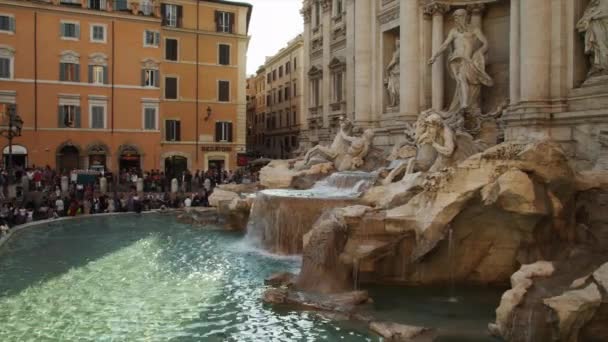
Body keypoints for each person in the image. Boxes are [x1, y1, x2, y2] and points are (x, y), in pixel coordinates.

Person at [429, 9, 493, 115]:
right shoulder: (454, 31)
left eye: (458, 16)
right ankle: (464, 103)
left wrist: (478, 53)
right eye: (455, 17)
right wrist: (434, 56)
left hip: (467, 58)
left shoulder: (474, 29)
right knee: (461, 80)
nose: (456, 19)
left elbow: (485, 43)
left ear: (465, 16)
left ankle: (465, 104)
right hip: (456, 58)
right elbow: (445, 44)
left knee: (465, 80)